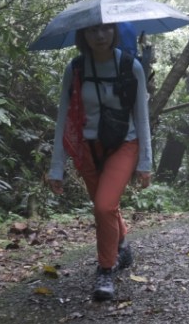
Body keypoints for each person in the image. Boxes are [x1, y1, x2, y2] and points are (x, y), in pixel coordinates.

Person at [47, 23, 152, 301]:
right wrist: (57, 167)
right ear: (83, 35)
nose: (100, 35)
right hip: (87, 147)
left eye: (105, 29)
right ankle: (122, 244)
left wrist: (145, 162)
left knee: (104, 206)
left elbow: (142, 116)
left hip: (124, 144)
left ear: (114, 32)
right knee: (106, 207)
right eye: (92, 31)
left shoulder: (131, 67)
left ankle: (106, 269)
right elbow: (64, 118)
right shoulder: (76, 69)